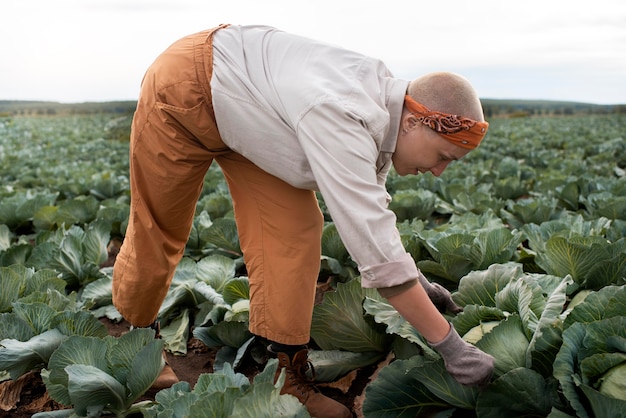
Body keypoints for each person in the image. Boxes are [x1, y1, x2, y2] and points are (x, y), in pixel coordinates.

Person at [112, 24, 494, 417]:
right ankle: (136, 349)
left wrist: (422, 284)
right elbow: (374, 247)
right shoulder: (343, 113)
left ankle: (286, 375)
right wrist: (452, 348)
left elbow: (373, 217)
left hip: (251, 114)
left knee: (294, 230)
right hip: (185, 87)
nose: (440, 171)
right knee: (160, 226)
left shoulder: (385, 114)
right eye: (444, 155)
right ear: (415, 121)